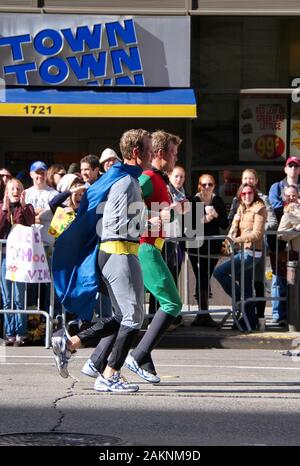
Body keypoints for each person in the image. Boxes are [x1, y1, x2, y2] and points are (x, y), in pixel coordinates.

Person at [51, 129, 154, 393]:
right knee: (133, 318)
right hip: (119, 252)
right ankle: (109, 375)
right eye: (149, 149)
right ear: (136, 153)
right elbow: (117, 223)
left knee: (122, 316)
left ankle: (70, 344)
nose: (152, 153)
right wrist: (148, 223)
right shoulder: (125, 182)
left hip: (115, 253)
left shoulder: (121, 178)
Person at [124, 130, 183, 383]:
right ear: (160, 154)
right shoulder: (148, 177)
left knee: (129, 312)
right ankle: (137, 355)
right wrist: (156, 217)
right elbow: (125, 210)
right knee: (172, 304)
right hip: (145, 248)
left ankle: (138, 360)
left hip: (152, 247)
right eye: (173, 153)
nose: (175, 157)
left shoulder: (160, 179)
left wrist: (175, 211)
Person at [213, 183, 267, 331]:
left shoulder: (260, 208)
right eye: (243, 194)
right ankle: (249, 320)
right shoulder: (241, 208)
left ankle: (240, 301)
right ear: (240, 195)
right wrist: (230, 241)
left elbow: (257, 234)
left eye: (249, 193)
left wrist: (236, 240)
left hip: (251, 252)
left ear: (254, 193)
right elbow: (234, 228)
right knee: (246, 287)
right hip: (241, 251)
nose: (246, 196)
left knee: (219, 272)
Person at [227, 168, 278, 325]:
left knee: (257, 281)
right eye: (245, 178)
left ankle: (259, 317)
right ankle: (246, 317)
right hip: (239, 247)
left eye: (251, 178)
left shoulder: (263, 199)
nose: (248, 181)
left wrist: (258, 229)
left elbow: (273, 222)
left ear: (256, 181)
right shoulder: (238, 199)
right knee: (244, 282)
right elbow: (231, 219)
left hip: (256, 247)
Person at [187, 174, 228, 327]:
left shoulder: (217, 201)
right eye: (204, 185)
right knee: (200, 276)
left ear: (214, 186)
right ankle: (202, 313)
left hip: (213, 245)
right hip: (195, 245)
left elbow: (225, 224)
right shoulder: (194, 201)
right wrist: (202, 220)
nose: (207, 187)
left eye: (210, 184)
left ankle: (204, 313)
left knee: (206, 276)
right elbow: (188, 224)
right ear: (199, 186)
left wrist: (216, 215)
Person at [0, 178, 35, 346]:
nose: (15, 191)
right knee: (7, 297)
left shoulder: (27, 207)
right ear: (6, 191)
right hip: (5, 257)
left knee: (20, 297)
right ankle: (9, 333)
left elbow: (30, 223)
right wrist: (5, 209)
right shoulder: (1, 207)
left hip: (21, 259)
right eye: (12, 188)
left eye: (18, 188)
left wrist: (23, 206)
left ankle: (21, 333)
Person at [268, 156, 300, 325]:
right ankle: (277, 315)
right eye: (290, 165)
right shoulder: (276, 187)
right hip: (278, 242)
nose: (293, 168)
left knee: (295, 281)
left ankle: (293, 315)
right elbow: (274, 204)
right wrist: (290, 206)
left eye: (296, 166)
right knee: (278, 279)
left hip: (295, 248)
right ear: (285, 169)